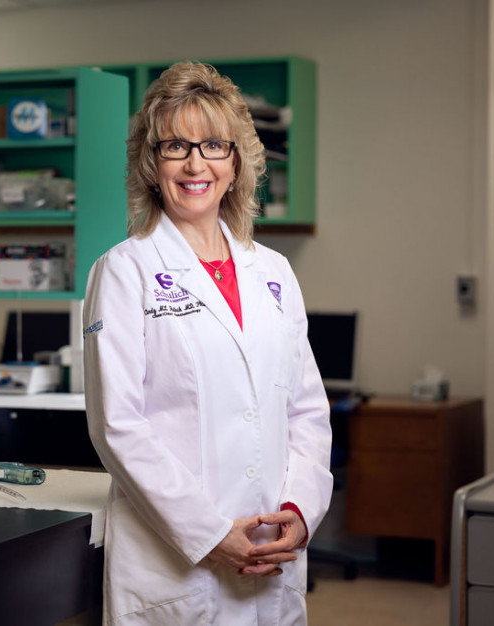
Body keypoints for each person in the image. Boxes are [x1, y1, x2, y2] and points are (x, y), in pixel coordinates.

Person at [83, 61, 333, 625]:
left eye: (214, 146)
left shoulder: (274, 272)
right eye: (176, 146)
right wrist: (211, 533)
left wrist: (299, 511)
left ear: (236, 162)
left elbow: (306, 413)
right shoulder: (123, 272)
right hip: (175, 567)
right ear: (152, 164)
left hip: (272, 554)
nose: (196, 164)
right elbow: (118, 426)